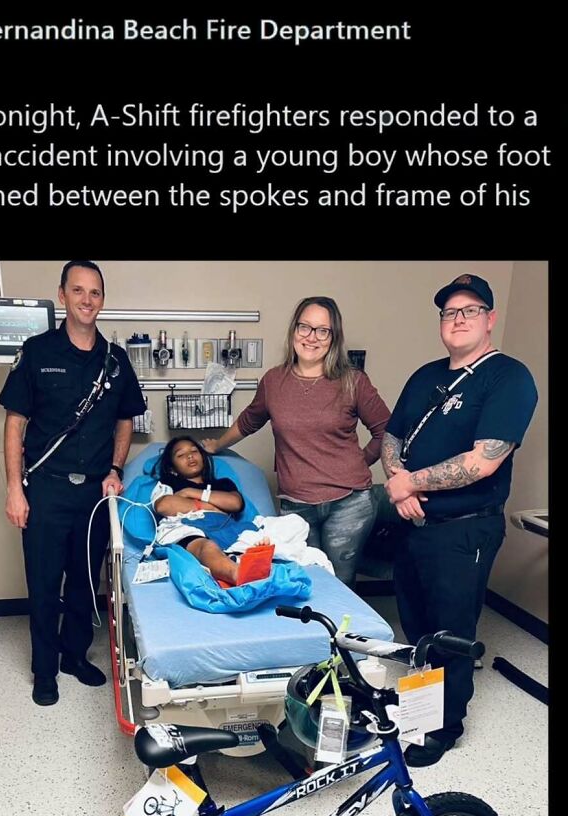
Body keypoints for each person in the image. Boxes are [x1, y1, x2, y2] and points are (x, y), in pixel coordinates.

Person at [382, 273, 538, 767]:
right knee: (416, 625)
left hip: (464, 529)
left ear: (490, 319)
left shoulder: (508, 377)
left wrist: (412, 484)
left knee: (450, 631)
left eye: (470, 310)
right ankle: (419, 710)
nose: (458, 319)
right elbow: (392, 438)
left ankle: (444, 728)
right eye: (450, 312)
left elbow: (482, 461)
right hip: (412, 525)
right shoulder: (426, 375)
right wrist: (398, 481)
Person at [0, 260, 146, 706]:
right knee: (44, 583)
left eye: (95, 292)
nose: (87, 300)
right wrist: (13, 489)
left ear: (103, 299)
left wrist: (116, 470)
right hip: (45, 488)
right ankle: (44, 671)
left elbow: (125, 421)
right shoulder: (38, 352)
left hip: (95, 494)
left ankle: (74, 656)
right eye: (78, 291)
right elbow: (14, 424)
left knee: (84, 582)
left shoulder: (115, 360)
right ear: (62, 295)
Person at [202, 296, 391, 589]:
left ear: (333, 338)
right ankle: (313, 637)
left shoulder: (353, 381)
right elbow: (249, 420)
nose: (311, 337)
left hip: (349, 504)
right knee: (304, 582)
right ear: (294, 331)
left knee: (339, 585)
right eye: (305, 327)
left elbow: (386, 431)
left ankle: (339, 637)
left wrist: (358, 462)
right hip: (296, 503)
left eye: (322, 330)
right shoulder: (274, 381)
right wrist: (216, 445)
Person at [150, 437, 273, 588]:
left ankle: (243, 559)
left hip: (226, 528)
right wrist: (212, 507)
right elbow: (164, 505)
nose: (190, 456)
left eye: (194, 451)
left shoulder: (223, 483)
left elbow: (235, 503)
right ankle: (237, 573)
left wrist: (190, 492)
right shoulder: (168, 484)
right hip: (188, 527)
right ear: (172, 469)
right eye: (181, 455)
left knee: (292, 524)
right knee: (207, 547)